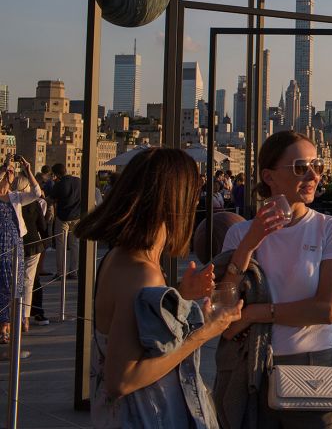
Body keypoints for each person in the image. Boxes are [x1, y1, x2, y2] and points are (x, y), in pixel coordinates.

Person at [76, 148, 239, 427]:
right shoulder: (140, 271)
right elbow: (122, 379)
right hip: (144, 417)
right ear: (175, 200)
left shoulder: (123, 256)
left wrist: (179, 295)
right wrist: (205, 332)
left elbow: (135, 323)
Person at [219, 130, 332, 428]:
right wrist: (249, 244)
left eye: (317, 166)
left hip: (311, 365)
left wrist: (254, 314)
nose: (314, 175)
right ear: (269, 176)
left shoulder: (330, 228)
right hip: (249, 367)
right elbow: (223, 310)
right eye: (301, 168)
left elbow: (326, 310)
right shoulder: (240, 234)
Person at [0, 156, 44, 344]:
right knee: (1, 286)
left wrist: (27, 170)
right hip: (1, 247)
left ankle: (7, 326)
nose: (10, 175)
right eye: (7, 174)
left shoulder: (16, 197)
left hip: (14, 246)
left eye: (11, 173)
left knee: (13, 286)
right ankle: (3, 327)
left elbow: (37, 192)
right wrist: (4, 167)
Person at [17, 174, 50, 328]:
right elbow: (42, 226)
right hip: (34, 244)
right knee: (29, 282)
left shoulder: (11, 202)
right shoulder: (35, 203)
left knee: (14, 282)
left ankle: (12, 316)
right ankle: (26, 318)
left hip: (16, 244)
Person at [48, 161, 81, 279]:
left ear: (57, 174)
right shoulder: (78, 181)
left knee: (61, 245)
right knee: (75, 245)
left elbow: (51, 200)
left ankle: (61, 272)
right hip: (77, 217)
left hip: (63, 218)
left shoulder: (59, 184)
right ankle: (74, 271)